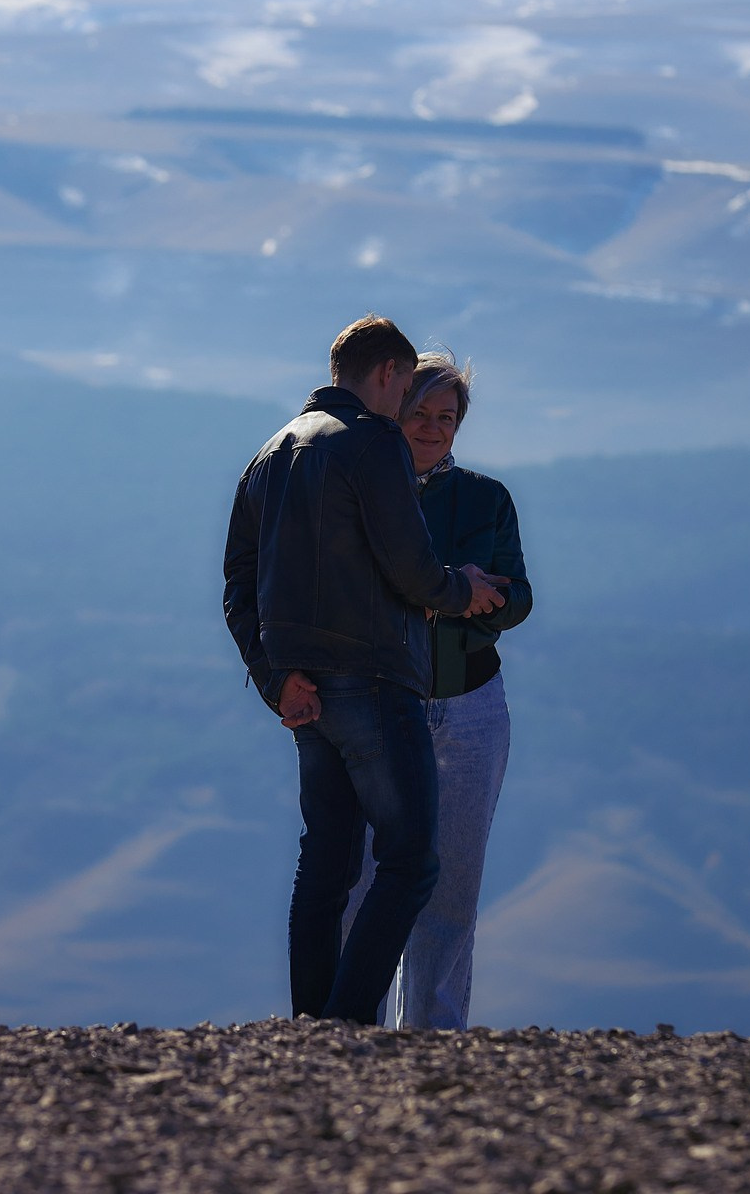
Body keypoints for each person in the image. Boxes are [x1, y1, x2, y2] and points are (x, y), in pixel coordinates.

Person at [222, 315, 509, 1024]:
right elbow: (407, 564)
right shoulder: (372, 444)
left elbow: (239, 583)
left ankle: (313, 1026)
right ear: (387, 373)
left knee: (325, 864)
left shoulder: (269, 453)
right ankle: (350, 1019)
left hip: (304, 691)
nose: (407, 409)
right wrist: (460, 591)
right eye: (407, 390)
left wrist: (272, 677)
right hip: (376, 680)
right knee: (410, 861)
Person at [363, 351, 533, 1029]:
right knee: (361, 885)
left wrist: (469, 599)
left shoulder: (486, 499)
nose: (432, 428)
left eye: (446, 417)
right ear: (392, 415)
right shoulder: (362, 492)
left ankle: (433, 1038)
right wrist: (451, 589)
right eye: (418, 414)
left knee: (453, 888)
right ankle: (346, 1033)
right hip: (378, 707)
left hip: (470, 705)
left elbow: (517, 596)